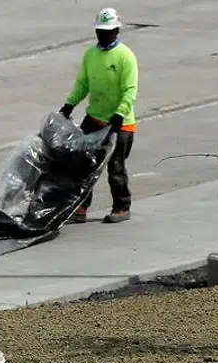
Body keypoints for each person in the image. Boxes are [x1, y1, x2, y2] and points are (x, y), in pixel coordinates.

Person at [60, 7, 138, 224]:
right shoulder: (91, 55)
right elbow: (82, 84)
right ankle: (81, 207)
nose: (102, 35)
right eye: (99, 31)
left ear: (116, 31)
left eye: (107, 31)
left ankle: (122, 207)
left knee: (115, 167)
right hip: (94, 118)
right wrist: (69, 104)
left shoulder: (125, 57)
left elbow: (130, 90)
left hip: (120, 124)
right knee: (83, 164)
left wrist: (120, 113)